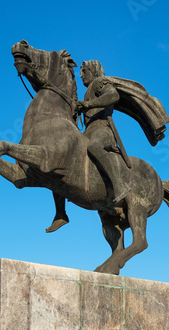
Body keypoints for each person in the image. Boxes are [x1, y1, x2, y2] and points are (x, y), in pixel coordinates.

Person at [46, 60, 131, 233]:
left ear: (93, 70)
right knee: (58, 163)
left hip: (103, 132)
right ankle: (61, 213)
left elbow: (113, 95)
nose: (81, 74)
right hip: (88, 133)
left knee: (93, 146)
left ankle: (120, 185)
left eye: (84, 70)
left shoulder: (99, 82)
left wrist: (89, 105)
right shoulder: (87, 91)